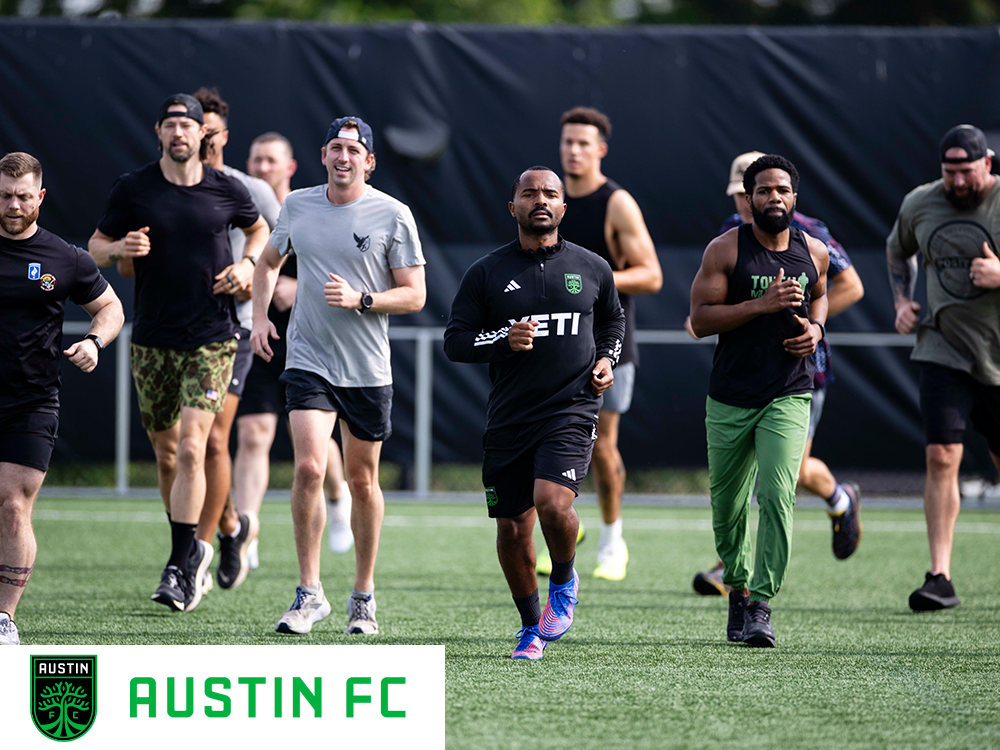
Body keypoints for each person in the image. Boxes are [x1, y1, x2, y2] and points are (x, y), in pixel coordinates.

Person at [89, 94, 268, 613]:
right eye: (171, 125)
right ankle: (195, 548)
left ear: (201, 134)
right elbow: (95, 246)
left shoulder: (226, 189)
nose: (180, 133)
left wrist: (248, 266)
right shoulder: (135, 187)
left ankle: (181, 565)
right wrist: (120, 249)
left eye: (188, 125)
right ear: (159, 132)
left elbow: (259, 229)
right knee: (167, 455)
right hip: (151, 339)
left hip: (213, 337)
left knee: (196, 446)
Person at [250, 116, 426, 636]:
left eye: (353, 149)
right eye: (335, 148)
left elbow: (414, 294)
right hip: (308, 358)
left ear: (369, 161)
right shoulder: (298, 205)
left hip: (368, 368)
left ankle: (363, 596)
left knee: (360, 480)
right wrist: (260, 318)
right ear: (323, 157)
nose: (344, 157)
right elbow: (266, 264)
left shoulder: (393, 214)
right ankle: (309, 594)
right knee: (307, 468)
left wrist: (362, 300)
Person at [445, 166, 625, 660]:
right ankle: (530, 627)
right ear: (514, 207)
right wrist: (503, 339)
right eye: (529, 194)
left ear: (564, 208)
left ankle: (564, 579)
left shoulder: (592, 266)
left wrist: (607, 357)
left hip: (571, 407)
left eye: (550, 193)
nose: (540, 200)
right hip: (509, 417)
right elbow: (456, 342)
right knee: (511, 528)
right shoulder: (485, 272)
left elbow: (613, 317)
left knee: (552, 502)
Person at [691, 151, 865, 596]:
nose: (764, 199)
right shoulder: (728, 240)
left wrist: (815, 327)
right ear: (744, 195)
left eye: (779, 190)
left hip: (801, 376)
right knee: (747, 491)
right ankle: (838, 500)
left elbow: (844, 286)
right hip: (737, 383)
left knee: (779, 482)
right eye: (751, 192)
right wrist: (750, 308)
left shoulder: (814, 239)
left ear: (791, 194)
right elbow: (703, 316)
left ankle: (753, 595)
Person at [0, 151, 124, 645]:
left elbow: (110, 307)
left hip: (31, 401)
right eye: (6, 196)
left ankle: (4, 616)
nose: (13, 205)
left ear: (41, 197)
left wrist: (95, 341)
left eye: (23, 196)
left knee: (12, 505)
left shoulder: (64, 258)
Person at [886, 124, 1000, 611]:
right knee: (941, 457)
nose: (957, 182)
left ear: (988, 164)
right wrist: (902, 300)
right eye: (949, 172)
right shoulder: (921, 202)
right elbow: (897, 248)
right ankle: (940, 576)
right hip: (942, 349)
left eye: (966, 172)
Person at [550, 106, 662, 582]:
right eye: (567, 142)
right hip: (556, 347)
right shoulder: (548, 198)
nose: (573, 150)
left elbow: (652, 274)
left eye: (583, 143)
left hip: (608, 346)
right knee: (551, 441)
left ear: (600, 150)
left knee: (602, 446)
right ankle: (564, 534)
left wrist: (590, 279)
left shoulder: (616, 202)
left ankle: (613, 542)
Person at [238, 132, 353, 575]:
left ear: (289, 167)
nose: (263, 167)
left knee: (315, 442)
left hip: (313, 340)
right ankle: (246, 534)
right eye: (256, 159)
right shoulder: (240, 212)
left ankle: (338, 496)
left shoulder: (311, 208)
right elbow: (253, 263)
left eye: (272, 160)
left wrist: (297, 286)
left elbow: (345, 272)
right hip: (259, 336)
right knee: (253, 436)